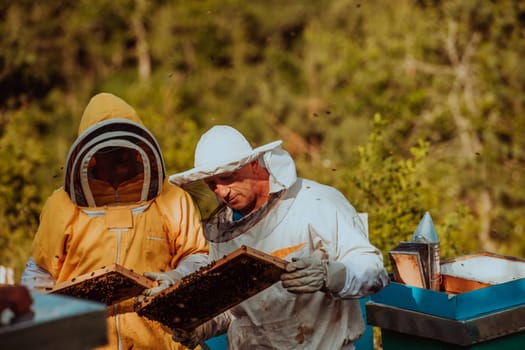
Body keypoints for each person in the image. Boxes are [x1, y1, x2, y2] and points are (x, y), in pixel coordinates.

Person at [168, 125, 390, 349]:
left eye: (228, 178)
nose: (222, 192)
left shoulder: (315, 202)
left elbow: (372, 270)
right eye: (212, 185)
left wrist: (328, 275)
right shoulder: (225, 230)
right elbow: (238, 312)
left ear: (254, 164)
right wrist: (204, 327)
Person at [21, 93, 209, 349]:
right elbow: (40, 273)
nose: (118, 162)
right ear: (93, 159)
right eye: (109, 155)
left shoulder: (172, 199)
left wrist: (177, 276)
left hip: (159, 340)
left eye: (123, 154)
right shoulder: (61, 205)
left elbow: (196, 257)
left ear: (138, 154)